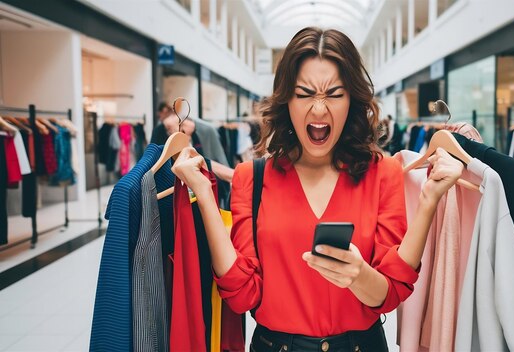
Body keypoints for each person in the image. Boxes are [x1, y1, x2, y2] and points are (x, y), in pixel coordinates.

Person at [171, 27, 462, 351]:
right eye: (305, 93)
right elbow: (242, 295)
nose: (319, 109)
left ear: (352, 100)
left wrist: (358, 275)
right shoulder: (250, 178)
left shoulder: (383, 172)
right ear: (286, 100)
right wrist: (205, 195)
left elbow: (389, 293)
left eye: (334, 94)